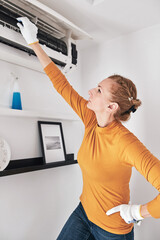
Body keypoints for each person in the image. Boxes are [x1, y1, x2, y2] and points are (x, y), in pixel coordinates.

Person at [17, 17, 160, 240]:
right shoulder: (90, 118)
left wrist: (136, 212)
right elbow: (62, 85)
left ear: (112, 107)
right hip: (84, 213)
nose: (91, 91)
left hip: (112, 230)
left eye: (99, 90)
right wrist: (34, 42)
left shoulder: (126, 143)